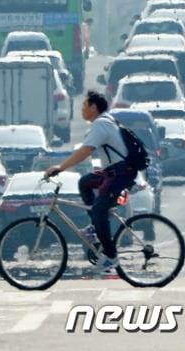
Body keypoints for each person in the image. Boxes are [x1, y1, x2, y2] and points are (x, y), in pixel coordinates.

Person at [45, 90, 137, 273]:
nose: (81, 109)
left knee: (98, 209)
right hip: (114, 171)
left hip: (121, 174)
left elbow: (85, 151)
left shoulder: (101, 124)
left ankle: (111, 257)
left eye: (84, 105)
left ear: (93, 108)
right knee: (85, 182)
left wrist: (61, 167)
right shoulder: (104, 121)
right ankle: (95, 228)